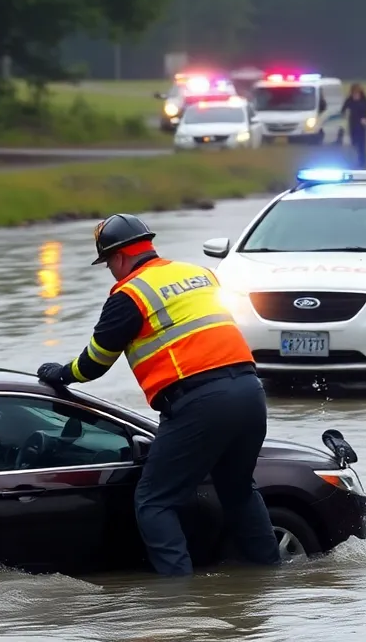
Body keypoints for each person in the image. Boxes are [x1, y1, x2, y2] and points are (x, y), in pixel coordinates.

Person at [36, 213, 281, 576]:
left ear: (118, 257)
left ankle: (175, 601)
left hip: (201, 401)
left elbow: (95, 363)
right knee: (239, 490)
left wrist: (60, 373)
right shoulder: (198, 274)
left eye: (108, 264)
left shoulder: (129, 294)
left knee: (154, 500)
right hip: (249, 391)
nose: (111, 271)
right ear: (147, 246)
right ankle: (271, 574)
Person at [341, 83, 366, 167]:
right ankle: (353, 160)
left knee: (362, 144)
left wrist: (365, 118)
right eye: (354, 93)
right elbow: (344, 108)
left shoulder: (363, 100)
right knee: (354, 142)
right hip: (353, 123)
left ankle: (363, 162)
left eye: (357, 93)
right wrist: (343, 113)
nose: (355, 95)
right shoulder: (350, 100)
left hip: (362, 124)